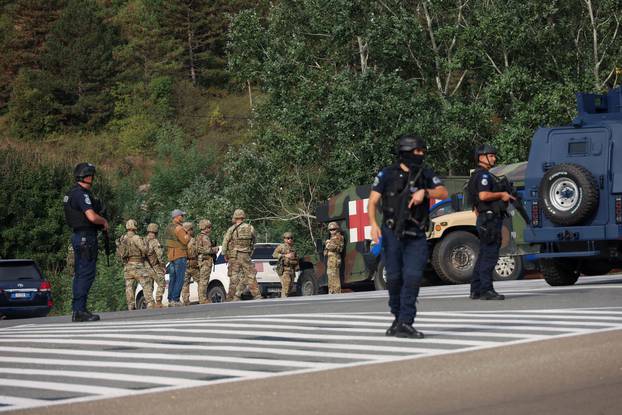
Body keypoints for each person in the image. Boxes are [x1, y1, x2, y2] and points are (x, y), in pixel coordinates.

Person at [368, 134, 448, 338]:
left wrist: (425, 193)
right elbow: (373, 201)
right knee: (394, 278)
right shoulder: (387, 174)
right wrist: (373, 224)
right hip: (392, 232)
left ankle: (405, 321)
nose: (421, 155)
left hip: (416, 233)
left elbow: (443, 192)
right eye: (417, 151)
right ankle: (397, 318)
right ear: (405, 152)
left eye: (422, 151)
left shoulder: (425, 174)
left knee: (412, 277)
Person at [63, 162, 109, 322]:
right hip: (85, 238)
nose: (93, 179)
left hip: (78, 237)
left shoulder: (71, 193)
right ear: (87, 176)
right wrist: (103, 221)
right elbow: (91, 216)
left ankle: (78, 310)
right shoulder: (81, 194)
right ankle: (80, 310)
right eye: (92, 176)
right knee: (86, 274)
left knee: (80, 274)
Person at [467, 144, 513, 301]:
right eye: (491, 155)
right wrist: (502, 194)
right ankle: (486, 289)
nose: (494, 158)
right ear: (481, 157)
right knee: (490, 255)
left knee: (484, 254)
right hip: (489, 220)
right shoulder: (484, 176)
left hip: (484, 219)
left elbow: (474, 202)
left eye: (494, 155)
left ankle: (476, 289)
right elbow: (483, 196)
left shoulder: (476, 176)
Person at [222, 209, 262, 301]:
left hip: (234, 256)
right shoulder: (250, 227)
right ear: (243, 217)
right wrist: (249, 251)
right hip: (245, 255)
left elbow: (225, 242)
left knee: (234, 277)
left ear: (235, 217)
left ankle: (232, 297)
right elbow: (254, 241)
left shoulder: (231, 229)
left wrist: (225, 253)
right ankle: (257, 295)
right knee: (250, 274)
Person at [117, 219, 154, 310]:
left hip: (127, 266)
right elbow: (144, 250)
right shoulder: (136, 238)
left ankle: (131, 305)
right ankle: (149, 303)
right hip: (138, 265)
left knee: (129, 286)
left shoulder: (123, 238)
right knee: (146, 283)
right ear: (135, 227)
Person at [165, 209, 191, 307]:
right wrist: (188, 234)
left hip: (171, 256)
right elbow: (185, 241)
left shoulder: (168, 228)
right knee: (179, 278)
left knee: (173, 278)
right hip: (180, 255)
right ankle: (175, 299)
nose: (183, 217)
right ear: (177, 217)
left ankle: (170, 299)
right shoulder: (179, 228)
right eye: (181, 216)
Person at [196, 219, 219, 304]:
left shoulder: (198, 236)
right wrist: (216, 249)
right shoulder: (205, 237)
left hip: (201, 260)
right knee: (204, 281)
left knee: (202, 280)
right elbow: (207, 250)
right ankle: (203, 299)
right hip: (205, 261)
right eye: (209, 227)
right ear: (205, 228)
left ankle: (202, 298)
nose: (210, 229)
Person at [144, 223, 167, 308]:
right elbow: (159, 255)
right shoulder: (154, 241)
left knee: (148, 285)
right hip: (154, 266)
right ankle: (158, 301)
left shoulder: (143, 240)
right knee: (162, 282)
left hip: (144, 266)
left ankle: (150, 303)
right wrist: (163, 266)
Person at [272, 232, 299, 298]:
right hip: (284, 269)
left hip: (291, 269)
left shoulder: (293, 248)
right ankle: (284, 299)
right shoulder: (281, 247)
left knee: (290, 286)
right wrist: (284, 255)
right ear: (284, 239)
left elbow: (296, 258)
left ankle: (284, 298)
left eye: (291, 238)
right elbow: (274, 255)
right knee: (286, 285)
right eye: (288, 238)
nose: (290, 239)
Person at [324, 222, 344, 294]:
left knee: (335, 276)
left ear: (337, 229)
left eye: (334, 229)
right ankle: (331, 291)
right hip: (330, 259)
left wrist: (328, 244)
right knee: (330, 275)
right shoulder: (331, 238)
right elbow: (326, 251)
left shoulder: (339, 237)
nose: (332, 231)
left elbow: (338, 248)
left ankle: (337, 292)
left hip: (335, 258)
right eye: (330, 230)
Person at [181, 222, 198, 306]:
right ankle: (202, 298)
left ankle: (185, 301)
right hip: (193, 263)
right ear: (188, 230)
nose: (192, 231)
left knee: (185, 283)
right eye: (191, 229)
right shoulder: (193, 240)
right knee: (201, 281)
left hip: (184, 264)